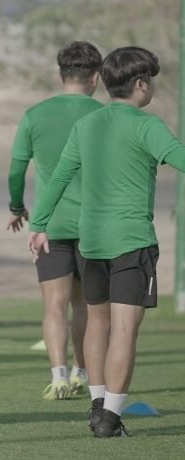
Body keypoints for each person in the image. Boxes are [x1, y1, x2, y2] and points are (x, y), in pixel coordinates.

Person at [28, 47, 184, 437]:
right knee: (125, 330)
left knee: (97, 323)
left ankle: (98, 405)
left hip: (91, 242)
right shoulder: (148, 125)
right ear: (140, 84)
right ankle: (110, 418)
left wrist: (39, 223)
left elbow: (59, 176)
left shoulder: (88, 125)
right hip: (131, 241)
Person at [7, 41, 103, 400]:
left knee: (54, 305)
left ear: (61, 74)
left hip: (51, 226)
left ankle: (59, 376)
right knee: (87, 306)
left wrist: (17, 207)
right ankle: (82, 372)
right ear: (96, 77)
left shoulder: (35, 114)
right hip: (95, 225)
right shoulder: (103, 115)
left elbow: (16, 169)